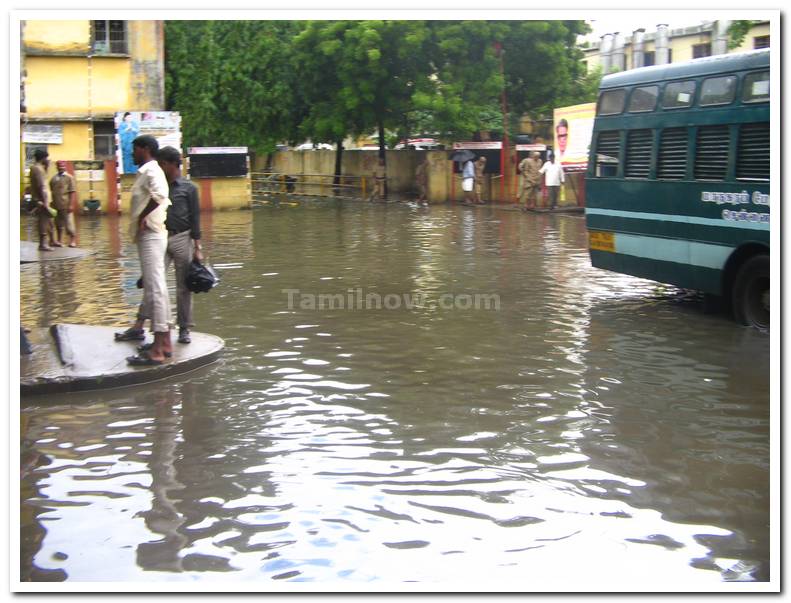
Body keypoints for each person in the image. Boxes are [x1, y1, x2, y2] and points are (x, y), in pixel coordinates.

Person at [118, 147, 203, 346]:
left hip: (182, 238)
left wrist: (198, 247)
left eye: (163, 164)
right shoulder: (158, 183)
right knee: (152, 282)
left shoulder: (189, 188)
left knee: (184, 287)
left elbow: (196, 218)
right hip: (160, 237)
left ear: (174, 164)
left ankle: (184, 329)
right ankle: (139, 325)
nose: (161, 167)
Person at [117, 135, 172, 365]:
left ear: (145, 149)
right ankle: (165, 343)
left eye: (134, 148)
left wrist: (141, 216)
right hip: (150, 235)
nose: (132, 152)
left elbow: (160, 197)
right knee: (155, 288)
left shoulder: (152, 170)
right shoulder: (147, 170)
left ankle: (158, 350)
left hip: (151, 233)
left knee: (156, 289)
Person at [28, 149, 58, 251]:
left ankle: (52, 241)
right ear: (43, 158)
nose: (48, 160)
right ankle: (43, 244)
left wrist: (47, 167)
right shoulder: (38, 169)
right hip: (41, 200)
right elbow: (42, 186)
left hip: (42, 199)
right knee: (43, 221)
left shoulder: (38, 168)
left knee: (49, 222)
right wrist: (45, 203)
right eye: (47, 158)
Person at [49, 160, 78, 248]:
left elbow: (72, 192)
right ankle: (59, 240)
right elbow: (51, 191)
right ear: (56, 167)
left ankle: (73, 241)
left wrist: (71, 204)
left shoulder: (69, 177)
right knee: (58, 224)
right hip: (56, 205)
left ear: (65, 166)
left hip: (66, 204)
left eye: (63, 165)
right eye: (59, 165)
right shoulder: (53, 178)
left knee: (69, 224)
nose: (61, 167)